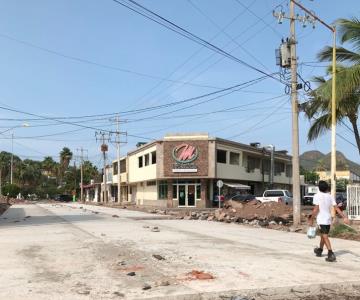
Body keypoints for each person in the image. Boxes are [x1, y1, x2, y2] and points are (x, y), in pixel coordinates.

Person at [309, 180, 349, 262]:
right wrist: (344, 217)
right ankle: (319, 250)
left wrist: (311, 218)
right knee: (324, 235)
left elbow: (316, 209)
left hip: (321, 219)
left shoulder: (317, 196)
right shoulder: (330, 196)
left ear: (319, 188)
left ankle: (331, 253)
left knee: (324, 236)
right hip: (328, 219)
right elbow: (336, 208)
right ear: (326, 188)